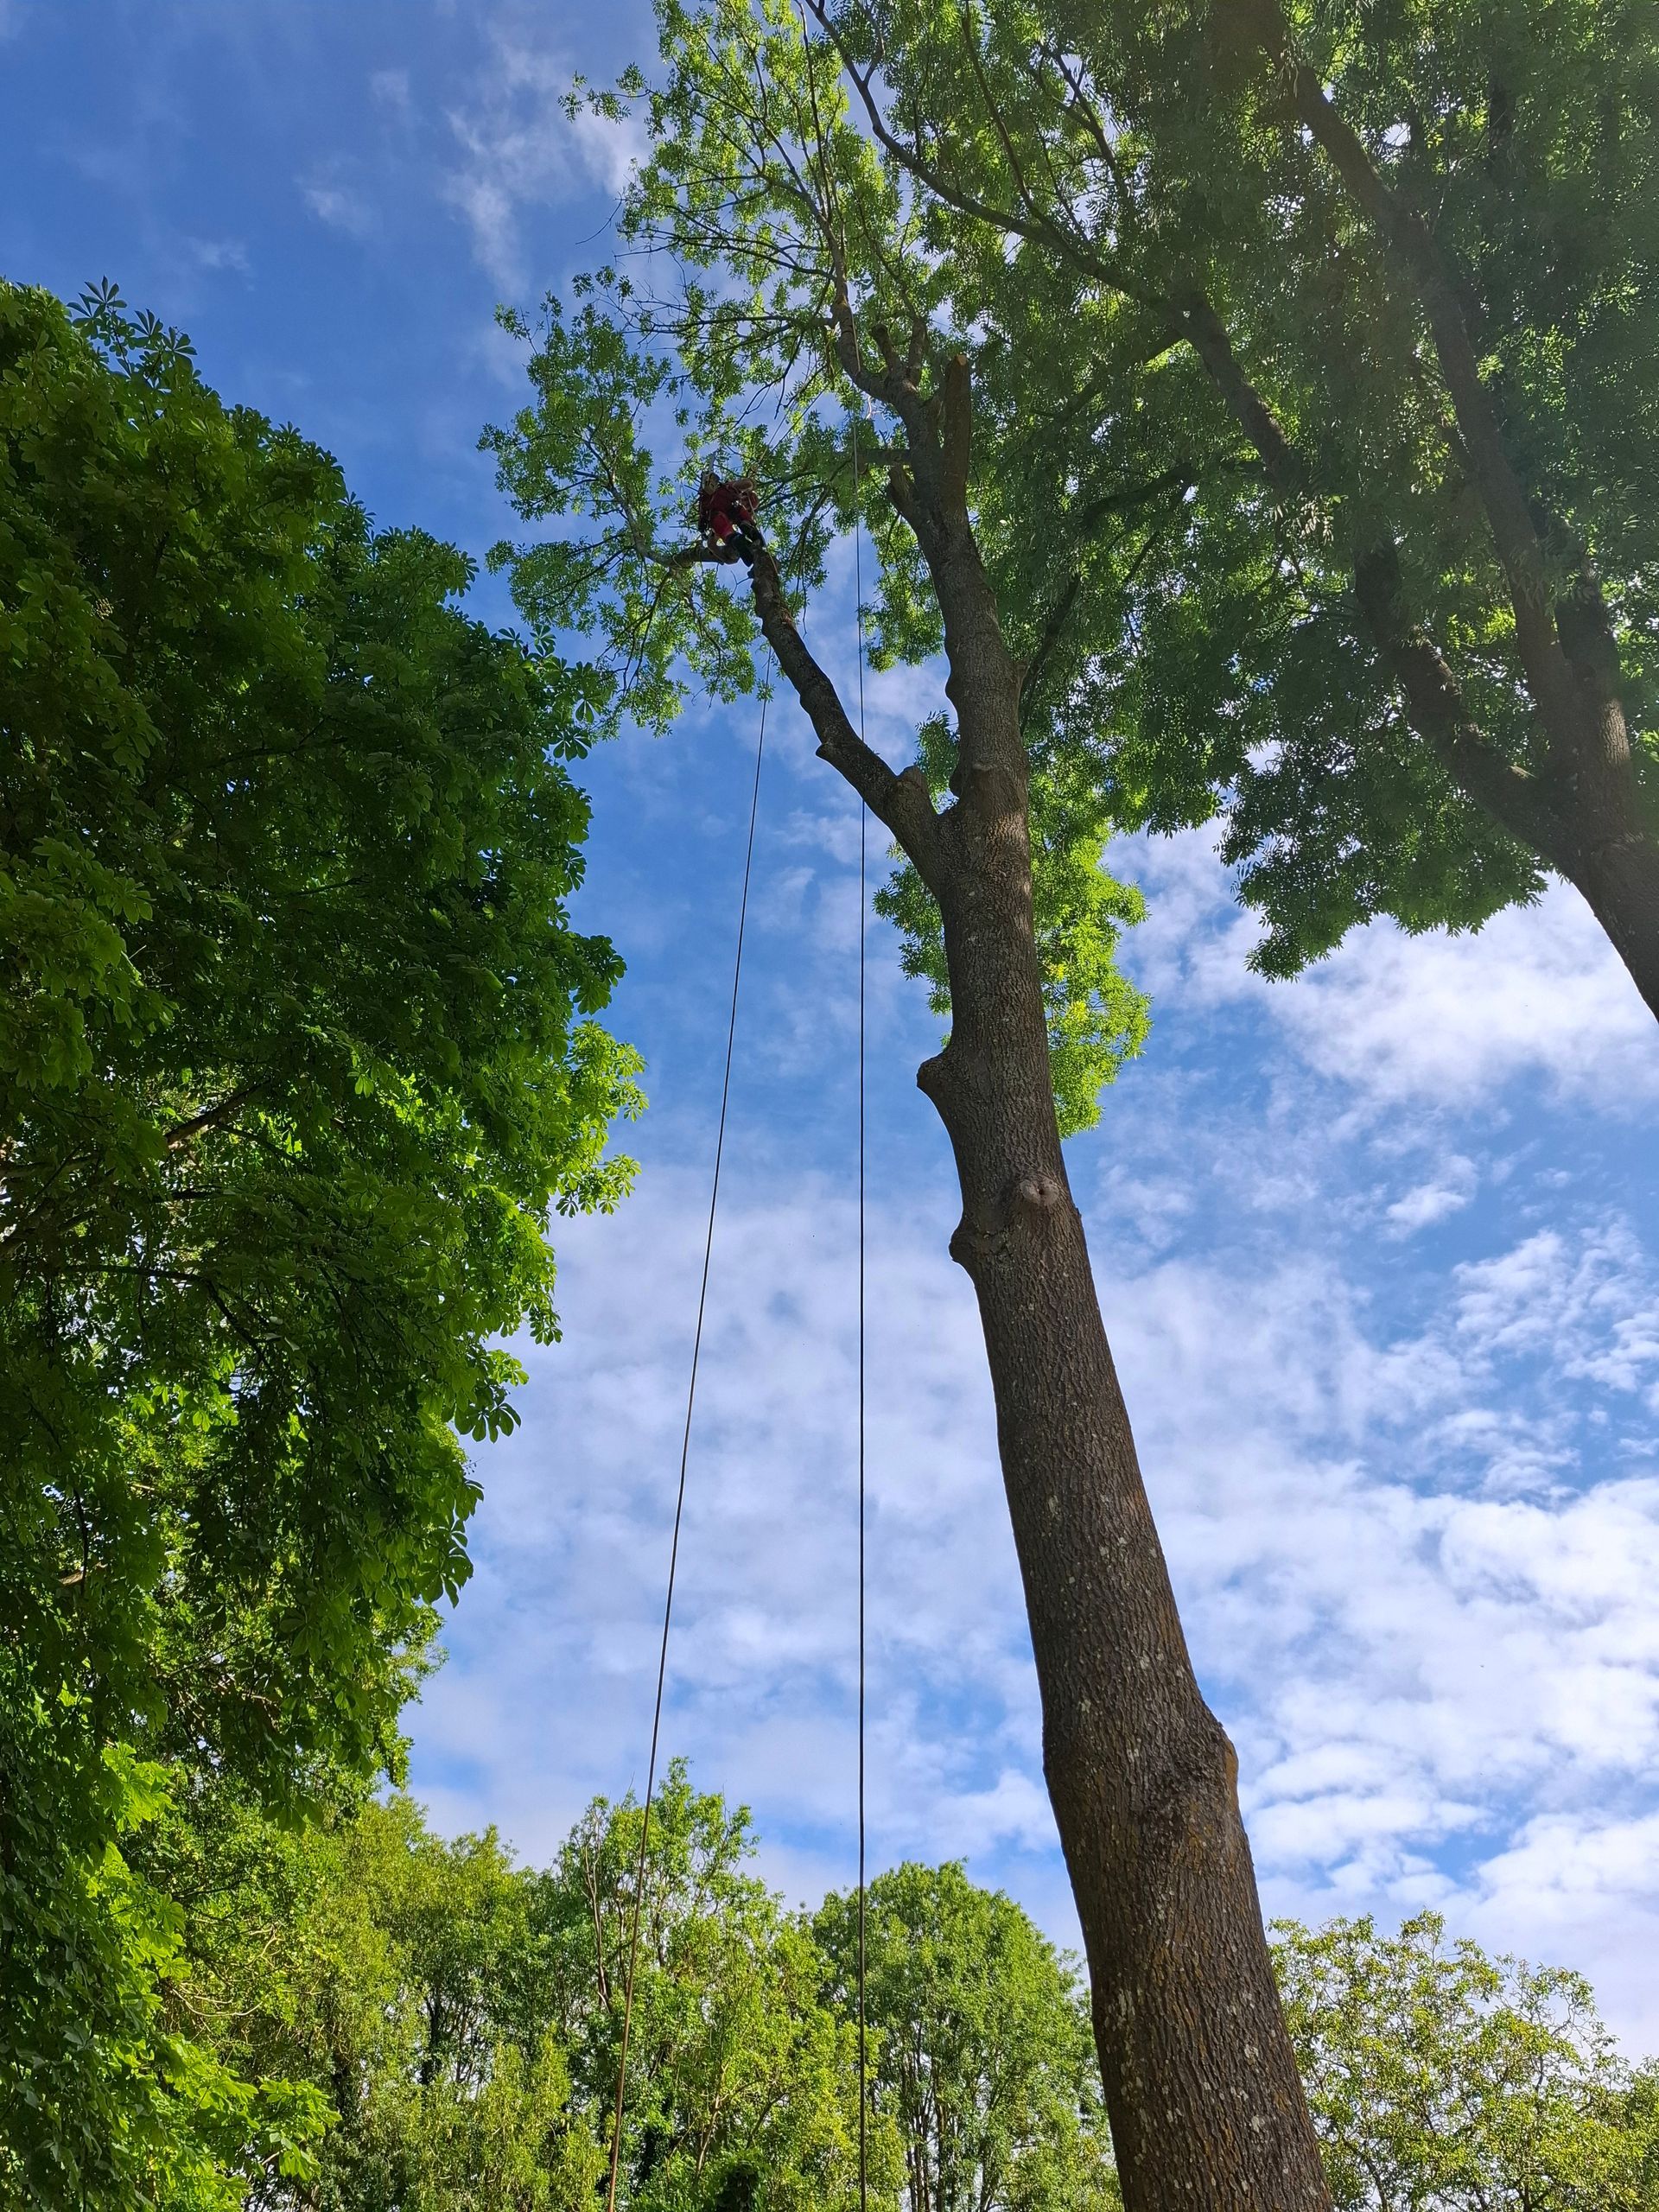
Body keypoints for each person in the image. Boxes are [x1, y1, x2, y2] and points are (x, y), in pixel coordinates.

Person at [696, 470, 763, 563]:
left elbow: (711, 544)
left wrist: (725, 559)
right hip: (716, 507)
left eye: (748, 505)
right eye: (746, 500)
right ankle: (736, 536)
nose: (744, 503)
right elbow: (746, 483)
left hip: (720, 513)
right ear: (744, 495)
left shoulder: (736, 510)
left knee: (734, 516)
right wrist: (752, 484)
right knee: (723, 523)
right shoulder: (731, 490)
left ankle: (744, 531)